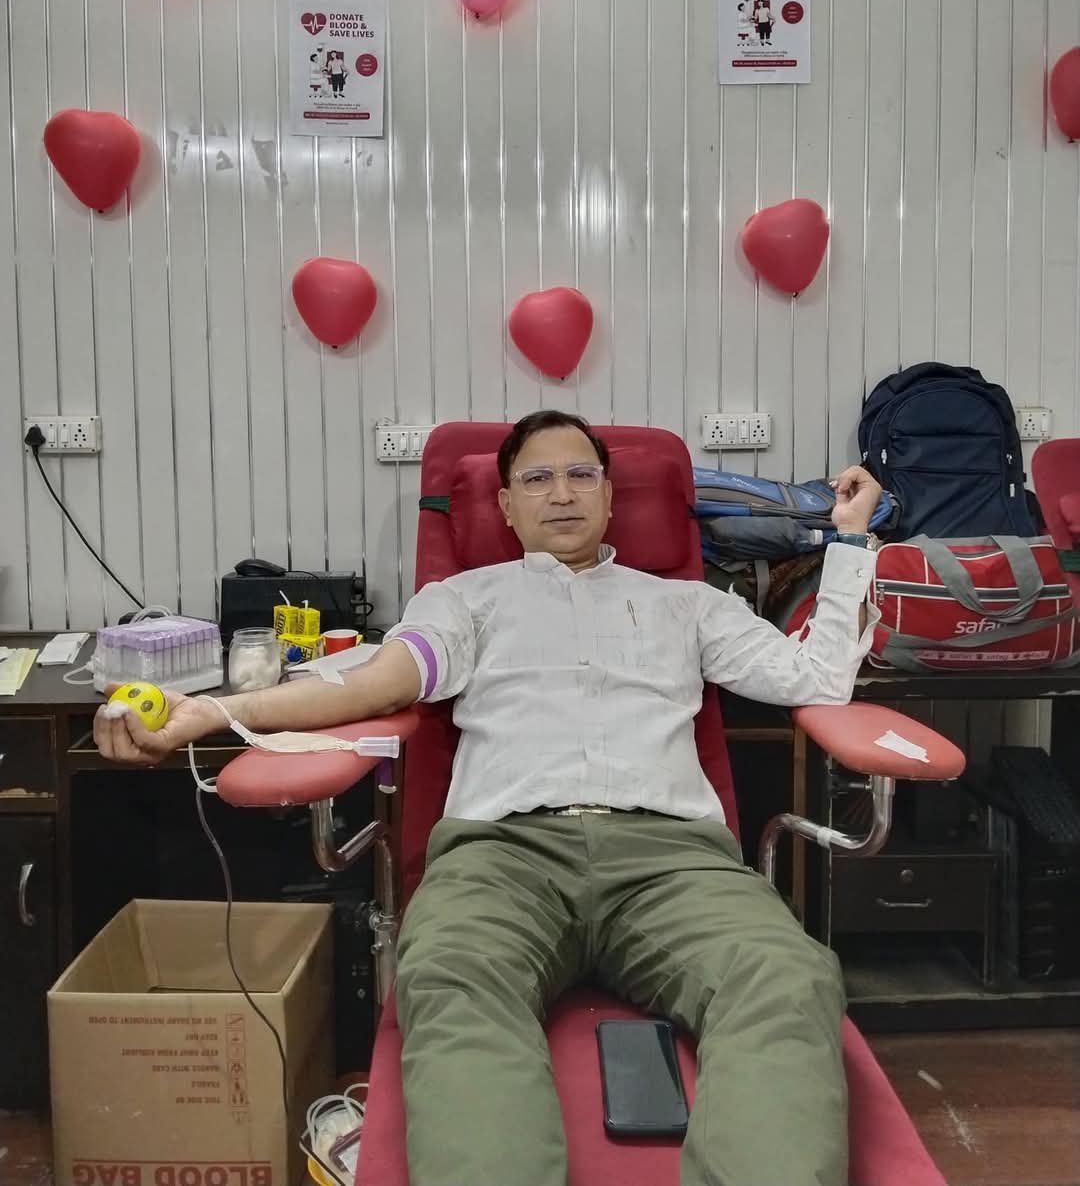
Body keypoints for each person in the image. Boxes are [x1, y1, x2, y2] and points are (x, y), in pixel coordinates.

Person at [95, 410, 883, 1186]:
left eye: (581, 475)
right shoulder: (464, 600)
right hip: (503, 859)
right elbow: (377, 683)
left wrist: (849, 542)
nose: (562, 493)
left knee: (788, 977)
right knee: (450, 974)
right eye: (537, 479)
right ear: (505, 505)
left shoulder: (690, 603)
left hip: (673, 861)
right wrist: (213, 714)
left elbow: (815, 678)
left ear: (610, 495)